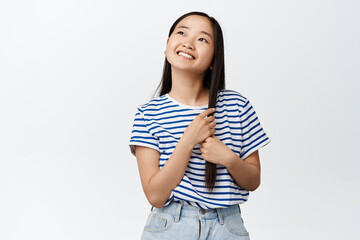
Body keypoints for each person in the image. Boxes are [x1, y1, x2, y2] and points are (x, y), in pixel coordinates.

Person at [129, 11, 271, 240]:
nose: (188, 42)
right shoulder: (148, 114)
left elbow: (253, 181)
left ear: (215, 59)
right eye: (182, 32)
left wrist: (228, 158)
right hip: (170, 226)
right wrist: (187, 142)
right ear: (167, 45)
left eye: (202, 39)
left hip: (227, 226)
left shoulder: (237, 105)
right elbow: (155, 195)